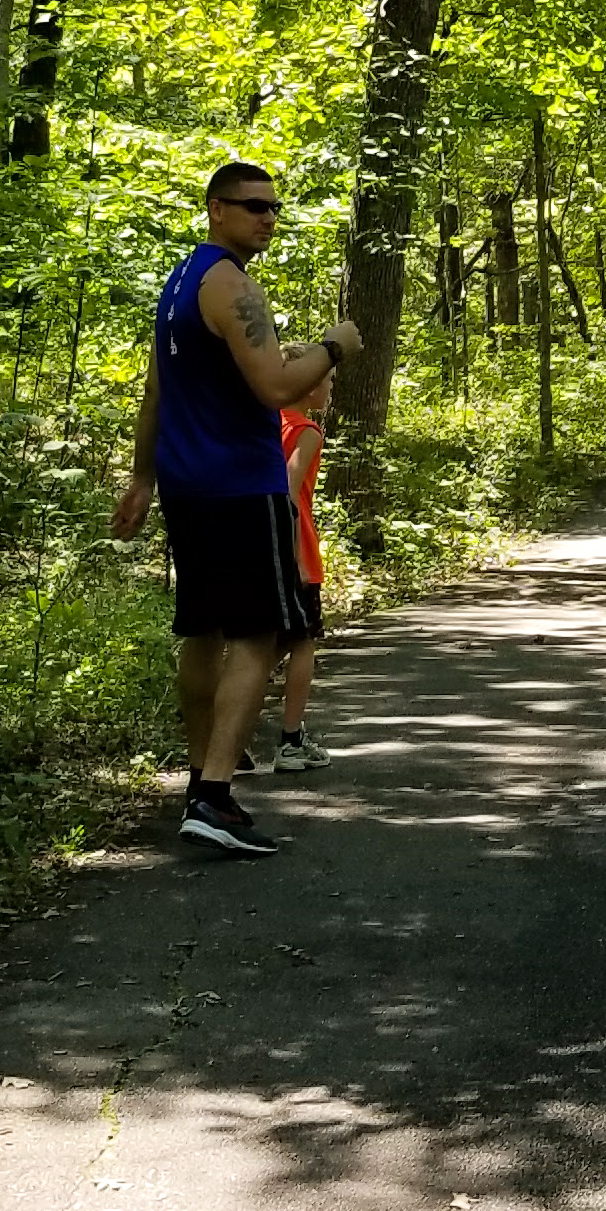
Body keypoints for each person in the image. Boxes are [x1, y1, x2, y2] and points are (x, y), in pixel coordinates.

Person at [111, 161, 359, 856]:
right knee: (258, 635)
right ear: (217, 209)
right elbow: (279, 387)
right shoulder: (230, 284)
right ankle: (214, 794)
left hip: (189, 486)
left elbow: (157, 392)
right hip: (242, 487)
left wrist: (143, 477)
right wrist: (336, 346)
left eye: (273, 208)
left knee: (203, 631)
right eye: (253, 206)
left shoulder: (178, 285)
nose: (266, 219)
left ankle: (201, 780)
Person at [264, 364, 330, 769]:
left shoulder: (264, 424)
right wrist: (297, 555)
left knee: (263, 647)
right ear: (307, 388)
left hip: (259, 543)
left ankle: (230, 742)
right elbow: (289, 487)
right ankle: (290, 740)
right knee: (303, 642)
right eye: (326, 380)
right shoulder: (306, 430)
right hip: (294, 543)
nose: (329, 387)